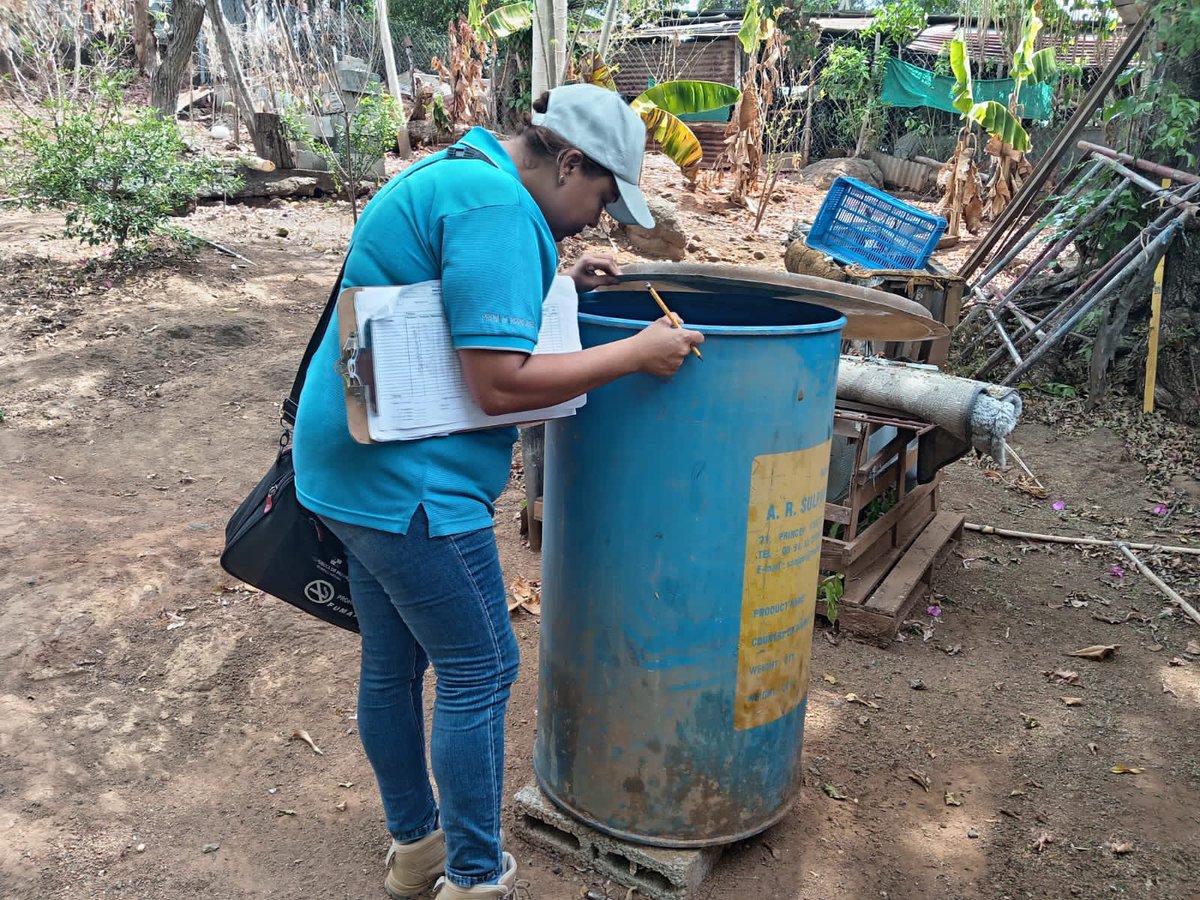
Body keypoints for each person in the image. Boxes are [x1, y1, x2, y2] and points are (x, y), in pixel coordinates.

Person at [292, 82, 704, 900]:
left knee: (396, 661)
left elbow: (448, 299)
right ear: (569, 161)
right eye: (599, 195)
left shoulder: (460, 172)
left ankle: (417, 850)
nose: (599, 217)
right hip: (411, 487)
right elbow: (497, 384)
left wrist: (560, 281)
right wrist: (635, 354)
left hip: (347, 463)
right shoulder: (494, 209)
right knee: (481, 668)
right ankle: (476, 880)